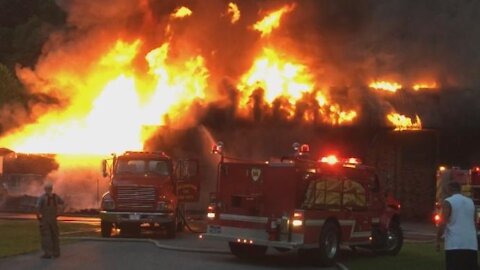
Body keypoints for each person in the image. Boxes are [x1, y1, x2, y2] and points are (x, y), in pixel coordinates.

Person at [436, 181, 478, 270]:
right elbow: (474, 222)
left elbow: (443, 222)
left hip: (454, 244)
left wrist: (438, 239)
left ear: (449, 189)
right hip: (471, 244)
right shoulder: (470, 202)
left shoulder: (448, 202)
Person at [36, 182, 64, 259]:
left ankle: (48, 253)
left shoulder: (42, 197)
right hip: (54, 219)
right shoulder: (56, 197)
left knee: (46, 236)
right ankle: (56, 252)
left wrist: (38, 217)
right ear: (51, 189)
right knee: (55, 235)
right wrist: (60, 213)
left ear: (45, 189)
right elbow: (63, 203)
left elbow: (37, 207)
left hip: (45, 219)